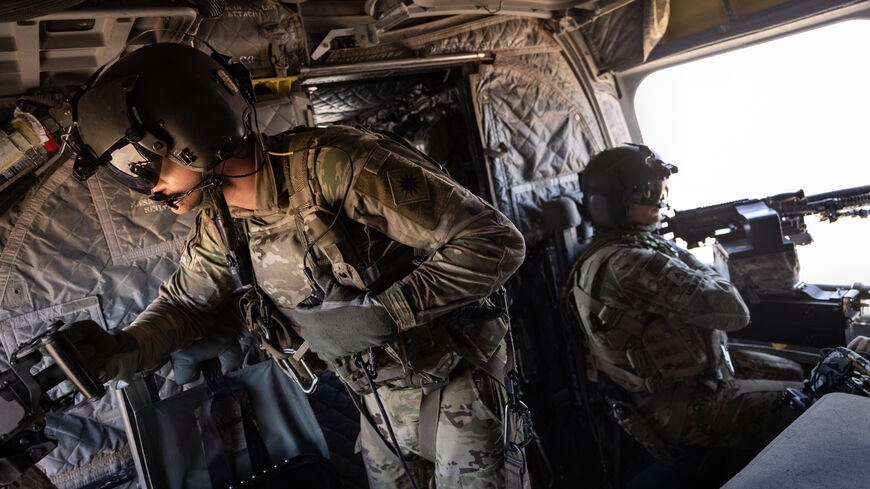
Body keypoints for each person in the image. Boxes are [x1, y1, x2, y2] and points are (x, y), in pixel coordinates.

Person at [62, 43, 525, 488]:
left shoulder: (334, 164)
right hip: (374, 397)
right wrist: (120, 350)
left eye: (142, 162)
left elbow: (494, 241)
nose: (147, 187)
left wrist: (388, 312)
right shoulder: (219, 221)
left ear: (191, 130)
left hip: (456, 382)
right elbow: (186, 306)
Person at [564, 144, 803, 463]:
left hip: (692, 381)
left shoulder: (619, 250)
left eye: (660, 189)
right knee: (809, 402)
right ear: (612, 204)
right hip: (685, 409)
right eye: (648, 192)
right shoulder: (630, 263)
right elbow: (733, 310)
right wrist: (677, 251)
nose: (659, 200)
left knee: (800, 370)